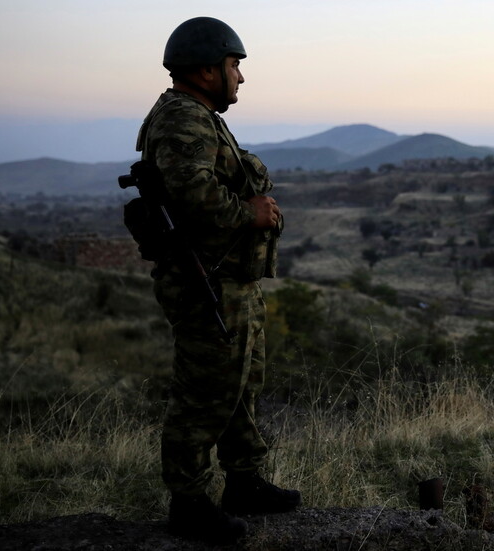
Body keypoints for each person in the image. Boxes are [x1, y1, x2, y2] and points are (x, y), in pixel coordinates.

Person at [134, 16, 300, 543]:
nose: (240, 78)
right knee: (204, 394)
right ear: (206, 69)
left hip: (232, 281)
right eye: (234, 66)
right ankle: (189, 502)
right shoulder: (182, 119)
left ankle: (245, 483)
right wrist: (249, 213)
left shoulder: (201, 115)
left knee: (241, 387)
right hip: (207, 282)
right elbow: (195, 195)